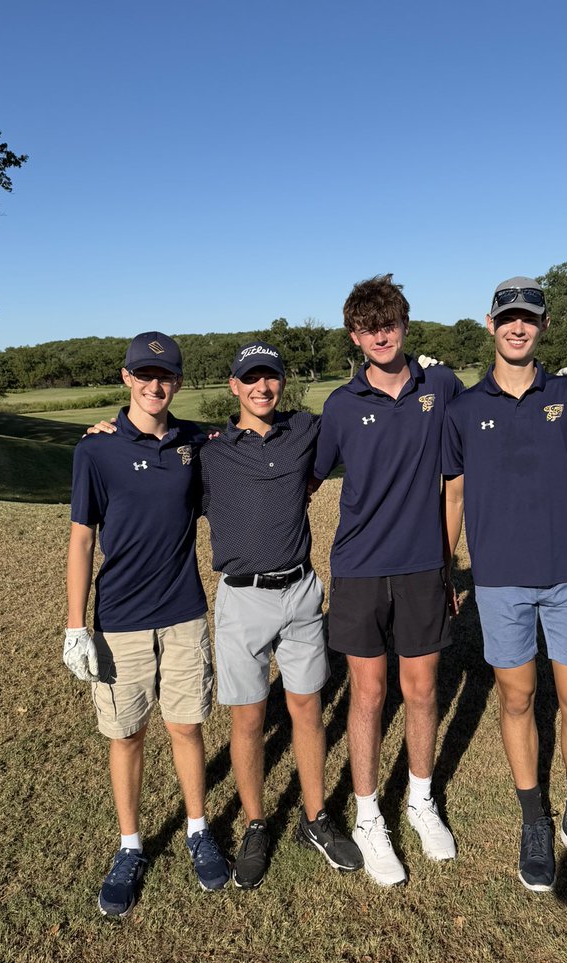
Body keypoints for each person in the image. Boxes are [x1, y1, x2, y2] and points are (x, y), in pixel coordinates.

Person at [442, 277, 567, 895]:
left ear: (543, 326)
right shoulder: (464, 408)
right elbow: (455, 494)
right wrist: (446, 569)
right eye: (508, 318)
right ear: (490, 324)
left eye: (530, 318)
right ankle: (533, 822)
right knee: (516, 699)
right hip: (500, 584)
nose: (518, 327)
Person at [64, 332, 230, 918]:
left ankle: (197, 829)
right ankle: (130, 845)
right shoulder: (96, 450)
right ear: (126, 378)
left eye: (166, 376)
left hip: (184, 612)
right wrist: (74, 625)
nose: (155, 385)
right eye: (145, 375)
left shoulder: (193, 441)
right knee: (126, 734)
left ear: (178, 382)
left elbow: (244, 434)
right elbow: (82, 539)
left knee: (186, 727)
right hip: (120, 620)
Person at [312, 275, 463, 885]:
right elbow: (306, 470)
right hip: (360, 567)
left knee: (423, 689)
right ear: (355, 336)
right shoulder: (342, 405)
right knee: (369, 693)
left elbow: (498, 411)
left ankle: (420, 800)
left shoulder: (442, 386)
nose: (381, 335)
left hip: (424, 564)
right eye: (369, 328)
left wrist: (563, 390)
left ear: (405, 325)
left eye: (390, 324)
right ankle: (369, 815)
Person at [198, 340, 362, 888]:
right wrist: (108, 426)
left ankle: (316, 818)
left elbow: (354, 406)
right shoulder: (210, 448)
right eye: (251, 379)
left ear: (281, 383)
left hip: (299, 592)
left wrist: (427, 376)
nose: (262, 388)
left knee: (307, 708)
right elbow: (153, 431)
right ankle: (255, 823)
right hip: (242, 597)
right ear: (234, 386)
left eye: (271, 378)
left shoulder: (303, 431)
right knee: (247, 718)